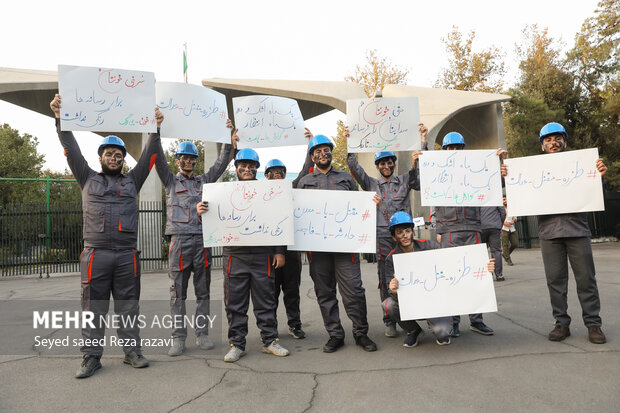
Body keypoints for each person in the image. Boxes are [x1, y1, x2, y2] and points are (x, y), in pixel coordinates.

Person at [50, 94, 162, 378]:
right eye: (109, 154)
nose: (113, 158)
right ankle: (91, 357)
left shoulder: (133, 181)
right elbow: (70, 145)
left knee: (128, 305)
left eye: (118, 155)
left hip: (126, 255)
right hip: (95, 255)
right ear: (100, 158)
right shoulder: (86, 177)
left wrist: (155, 128)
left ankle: (132, 352)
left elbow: (150, 154)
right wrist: (59, 118)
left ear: (123, 160)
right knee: (93, 306)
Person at [501, 122, 607, 344]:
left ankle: (593, 324)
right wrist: (507, 175)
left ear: (564, 142)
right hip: (549, 233)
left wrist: (600, 175)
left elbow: (595, 192)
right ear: (542, 146)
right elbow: (520, 193)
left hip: (577, 230)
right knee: (555, 281)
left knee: (586, 279)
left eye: (557, 138)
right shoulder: (531, 171)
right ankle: (561, 324)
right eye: (547, 140)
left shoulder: (582, 165)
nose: (553, 142)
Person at [152, 121, 236, 356]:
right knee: (177, 292)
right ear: (177, 160)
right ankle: (178, 338)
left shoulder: (203, 182)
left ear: (195, 161)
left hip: (202, 241)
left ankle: (202, 334)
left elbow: (221, 163)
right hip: (179, 241)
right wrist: (155, 130)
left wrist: (228, 139)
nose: (188, 162)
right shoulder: (170, 181)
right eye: (184, 158)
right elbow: (157, 156)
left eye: (192, 158)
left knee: (203, 291)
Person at [199, 148, 290, 362]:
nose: (247, 169)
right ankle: (237, 344)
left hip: (262, 254)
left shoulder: (267, 192)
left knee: (266, 300)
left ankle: (270, 341)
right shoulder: (221, 193)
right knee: (235, 302)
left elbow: (279, 219)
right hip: (234, 255)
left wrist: (279, 251)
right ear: (236, 168)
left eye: (252, 166)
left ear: (258, 168)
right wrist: (201, 211)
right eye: (243, 166)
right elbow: (211, 220)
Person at [297, 135, 377, 353]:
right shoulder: (303, 182)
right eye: (318, 151)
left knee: (354, 291)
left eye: (326, 150)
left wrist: (372, 203)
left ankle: (361, 333)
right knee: (324, 293)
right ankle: (335, 334)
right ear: (312, 156)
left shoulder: (345, 178)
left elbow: (360, 207)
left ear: (331, 153)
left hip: (345, 248)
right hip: (318, 249)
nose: (323, 154)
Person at [421, 130, 505, 337]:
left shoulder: (475, 168)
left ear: (463, 149)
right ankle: (455, 322)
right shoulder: (438, 170)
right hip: (449, 231)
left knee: (475, 277)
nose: (454, 151)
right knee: (451, 277)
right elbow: (425, 170)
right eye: (450, 148)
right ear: (445, 150)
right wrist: (423, 143)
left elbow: (495, 186)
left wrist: (500, 165)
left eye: (457, 148)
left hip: (473, 228)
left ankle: (477, 320)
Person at [345, 124, 426, 338]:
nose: (387, 165)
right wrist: (350, 144)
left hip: (406, 237)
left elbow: (422, 172)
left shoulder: (406, 180)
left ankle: (417, 313)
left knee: (413, 273)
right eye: (382, 163)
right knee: (386, 277)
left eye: (389, 162)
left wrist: (423, 142)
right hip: (383, 237)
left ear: (394, 163)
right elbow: (355, 169)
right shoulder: (371, 184)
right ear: (378, 166)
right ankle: (389, 319)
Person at [383, 212, 496, 347]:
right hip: (411, 303)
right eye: (399, 232)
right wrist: (393, 289)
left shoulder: (429, 246)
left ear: (413, 232)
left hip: (434, 302)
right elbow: (389, 289)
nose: (405, 235)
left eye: (407, 231)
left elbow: (454, 263)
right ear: (394, 236)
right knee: (388, 305)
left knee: (443, 334)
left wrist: (484, 267)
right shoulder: (391, 259)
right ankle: (413, 330)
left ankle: (438, 325)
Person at [264, 158, 307, 339]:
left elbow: (305, 170)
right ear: (266, 176)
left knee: (292, 292)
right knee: (269, 294)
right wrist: (235, 148)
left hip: (291, 253)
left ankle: (294, 325)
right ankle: (270, 329)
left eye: (280, 171)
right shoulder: (259, 195)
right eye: (273, 172)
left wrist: (309, 147)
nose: (277, 174)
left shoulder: (292, 189)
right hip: (269, 253)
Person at [480, 205, 506, 281]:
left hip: (481, 227)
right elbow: (503, 213)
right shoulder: (495, 198)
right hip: (495, 227)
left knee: (482, 251)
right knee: (496, 251)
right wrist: (499, 225)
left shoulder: (477, 198)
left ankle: (486, 273)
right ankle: (499, 275)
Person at [501, 195, 518, 266]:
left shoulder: (511, 208)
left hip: (511, 228)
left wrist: (513, 220)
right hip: (504, 228)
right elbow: (498, 218)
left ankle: (505, 254)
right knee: (505, 244)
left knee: (515, 244)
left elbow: (515, 217)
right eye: (503, 199)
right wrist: (504, 223)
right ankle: (508, 259)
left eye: (506, 199)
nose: (505, 201)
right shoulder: (500, 209)